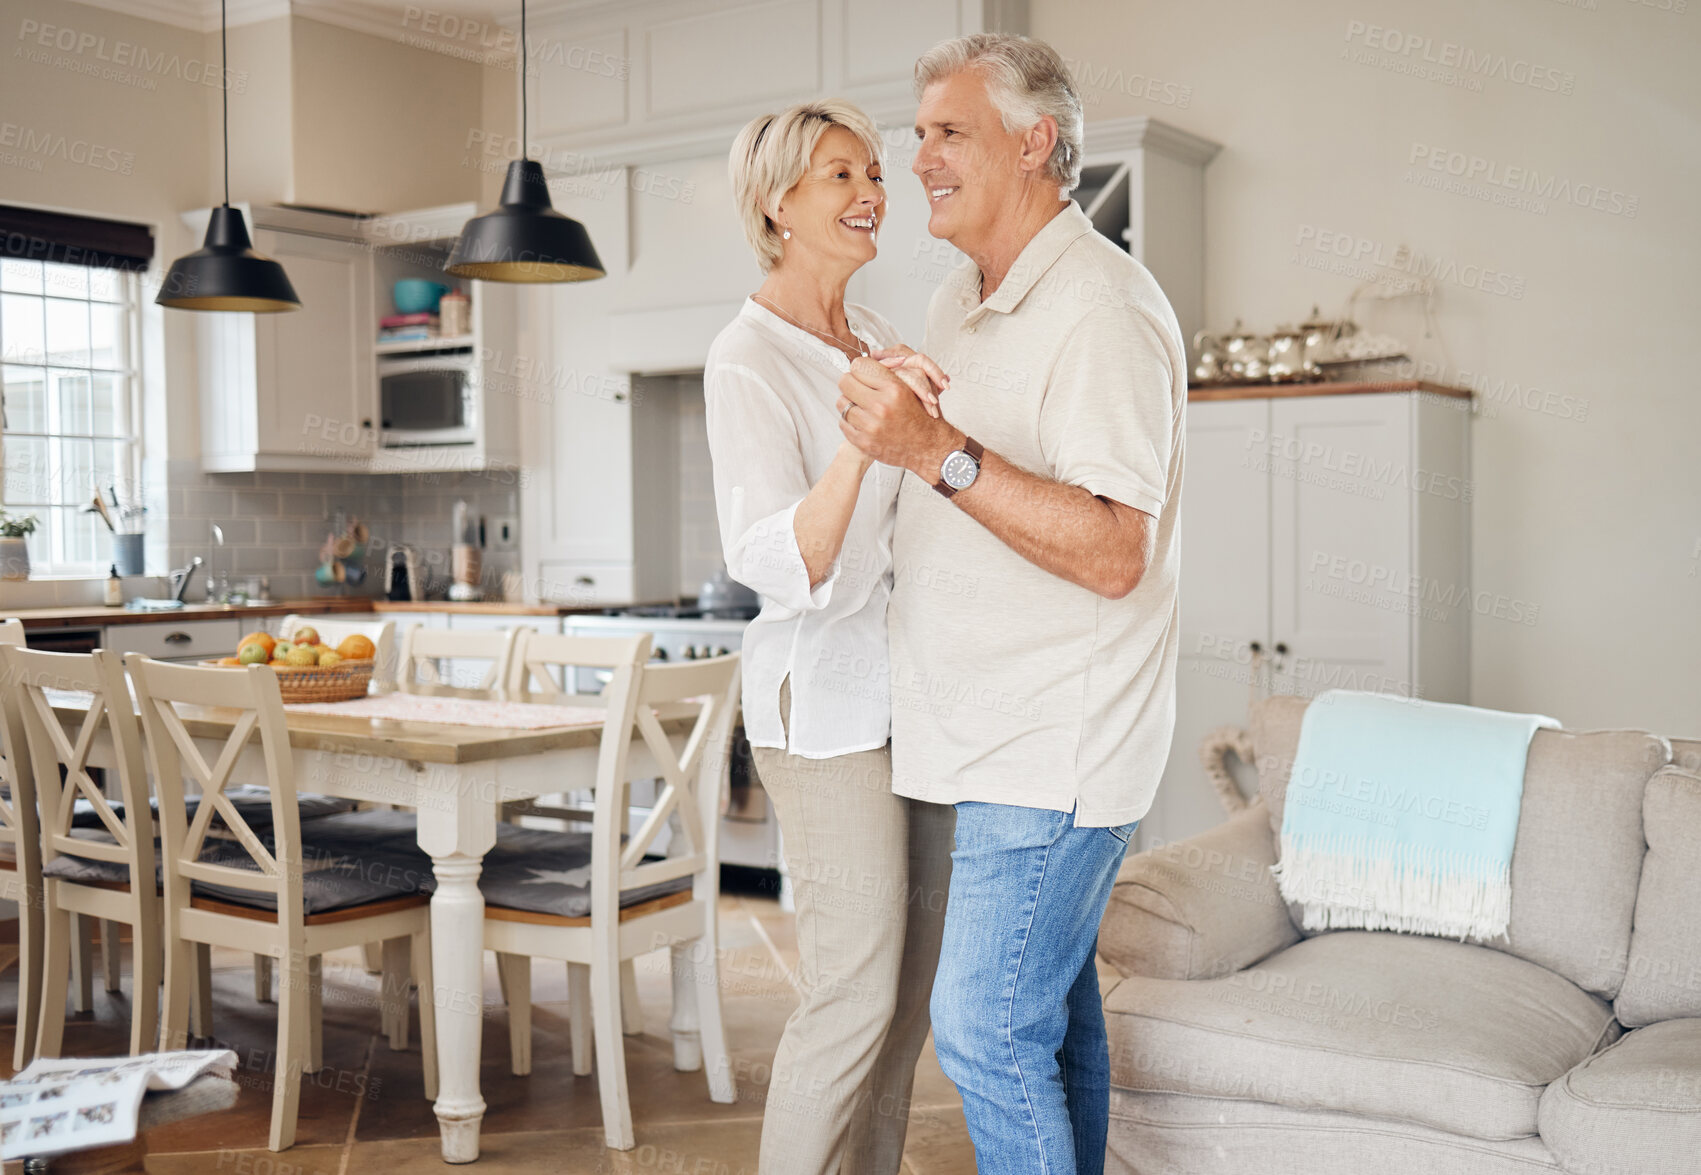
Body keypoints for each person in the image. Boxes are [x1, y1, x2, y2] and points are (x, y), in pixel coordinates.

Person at [836, 33, 1188, 1175]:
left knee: (985, 1032)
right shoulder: (956, 297)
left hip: (1053, 748)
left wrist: (934, 447)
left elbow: (1114, 548)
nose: (918, 156)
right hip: (980, 736)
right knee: (1051, 1025)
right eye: (919, 130)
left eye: (949, 131)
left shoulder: (1102, 309)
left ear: (1035, 144)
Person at [705, 99, 956, 1175]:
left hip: (919, 693)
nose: (871, 194)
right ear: (778, 203)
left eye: (875, 173)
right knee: (854, 986)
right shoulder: (745, 358)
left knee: (910, 997)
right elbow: (781, 562)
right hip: (829, 698)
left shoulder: (887, 339)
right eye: (839, 176)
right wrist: (867, 438)